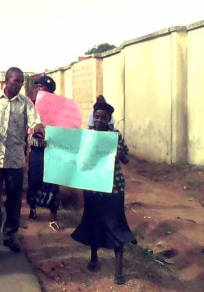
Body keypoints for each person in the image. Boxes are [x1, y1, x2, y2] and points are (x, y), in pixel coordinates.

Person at [71, 101, 136, 285]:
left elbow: (127, 159)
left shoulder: (115, 136)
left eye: (104, 117)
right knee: (94, 223)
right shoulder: (86, 136)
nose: (100, 120)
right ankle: (94, 257)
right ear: (93, 117)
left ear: (109, 120)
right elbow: (72, 154)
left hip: (113, 189)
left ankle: (119, 269)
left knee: (116, 226)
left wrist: (120, 154)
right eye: (97, 116)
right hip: (93, 188)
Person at [0, 67, 44, 253]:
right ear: (6, 81)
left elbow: (36, 122)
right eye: (14, 81)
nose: (17, 85)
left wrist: (39, 130)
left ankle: (9, 235)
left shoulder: (26, 103)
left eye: (20, 81)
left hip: (15, 160)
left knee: (14, 199)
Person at [26, 76, 61, 230]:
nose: (39, 90)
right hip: (36, 148)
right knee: (34, 179)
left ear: (50, 91)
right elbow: (28, 124)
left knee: (53, 182)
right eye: (38, 87)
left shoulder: (60, 107)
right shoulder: (32, 106)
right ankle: (33, 209)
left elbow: (65, 125)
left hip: (53, 149)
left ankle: (53, 217)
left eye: (42, 88)